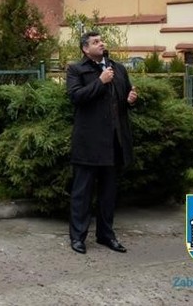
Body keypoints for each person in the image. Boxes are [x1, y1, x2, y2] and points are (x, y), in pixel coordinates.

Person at [66, 31, 137, 255]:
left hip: (114, 142)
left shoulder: (117, 68)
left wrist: (130, 100)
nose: (101, 44)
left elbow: (122, 99)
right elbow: (76, 97)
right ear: (85, 49)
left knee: (108, 194)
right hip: (89, 143)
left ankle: (106, 235)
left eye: (101, 41)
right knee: (82, 193)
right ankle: (77, 237)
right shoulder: (77, 70)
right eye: (95, 42)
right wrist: (99, 81)